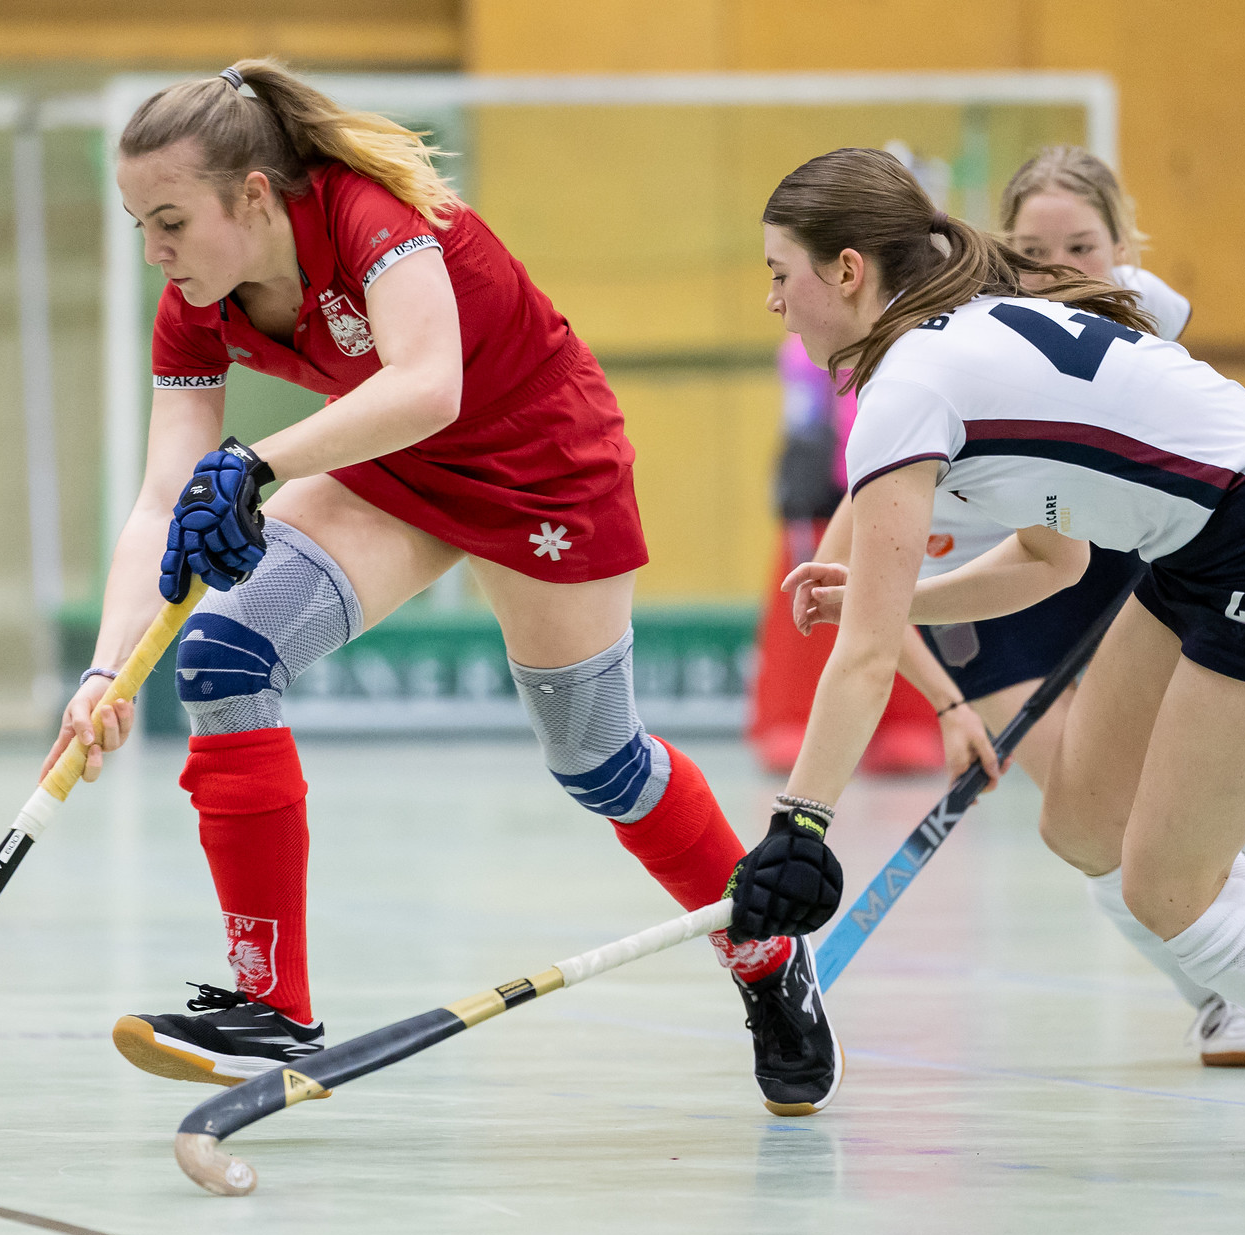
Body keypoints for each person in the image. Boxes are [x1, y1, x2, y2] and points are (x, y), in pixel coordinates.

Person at [42, 61, 839, 1116]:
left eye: (171, 221)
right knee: (223, 656)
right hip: (390, 471)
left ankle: (765, 950)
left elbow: (428, 384)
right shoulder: (194, 306)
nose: (155, 250)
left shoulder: (369, 218)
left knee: (599, 762)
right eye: (140, 224)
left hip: (539, 464)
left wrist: (256, 464)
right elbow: (160, 498)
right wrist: (105, 669)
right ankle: (271, 1001)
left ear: (252, 196)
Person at [737, 147, 1245, 1157]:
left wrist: (799, 823)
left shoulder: (907, 384)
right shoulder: (963, 331)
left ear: (845, 270)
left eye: (779, 273)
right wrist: (892, 596)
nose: (772, 302)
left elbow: (866, 660)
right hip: (1202, 552)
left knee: (1167, 885)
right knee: (1085, 817)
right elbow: (1048, 562)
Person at [802, 148, 1245, 1069]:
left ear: (1124, 250)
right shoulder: (948, 355)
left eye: (1083, 247)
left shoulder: (1148, 314)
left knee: (1190, 784)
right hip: (986, 603)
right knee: (1090, 820)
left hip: (1110, 557)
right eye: (1033, 251)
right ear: (1001, 250)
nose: (1060, 270)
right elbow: (854, 588)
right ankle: (1220, 995)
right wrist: (946, 706)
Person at [745, 337, 940, 778]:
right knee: (810, 598)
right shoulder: (808, 345)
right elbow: (801, 420)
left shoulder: (916, 338)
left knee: (905, 595)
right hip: (822, 492)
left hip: (899, 483)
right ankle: (795, 717)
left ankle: (907, 720)